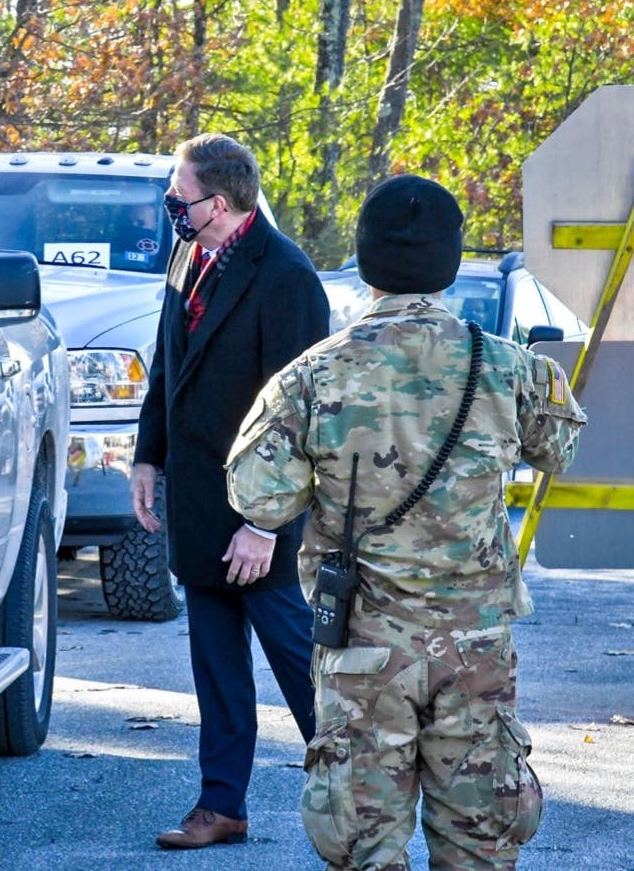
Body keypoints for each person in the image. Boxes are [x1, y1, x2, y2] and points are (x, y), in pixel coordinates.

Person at [225, 174, 587, 869]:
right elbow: (560, 448)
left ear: (364, 261)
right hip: (475, 649)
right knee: (480, 843)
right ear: (450, 262)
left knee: (363, 846)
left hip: (362, 647)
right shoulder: (508, 368)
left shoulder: (311, 376)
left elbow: (257, 499)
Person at [130, 133, 330, 849]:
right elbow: (167, 366)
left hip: (257, 516)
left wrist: (266, 523)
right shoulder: (189, 254)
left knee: (299, 663)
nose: (169, 211)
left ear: (217, 202)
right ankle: (221, 805)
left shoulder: (286, 277)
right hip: (197, 503)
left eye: (176, 199)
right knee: (215, 665)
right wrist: (146, 457)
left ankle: (357, 793)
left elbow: (299, 414)